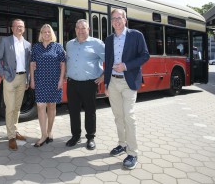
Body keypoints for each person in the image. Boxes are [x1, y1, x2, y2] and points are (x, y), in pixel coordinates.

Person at [104, 9, 150, 169]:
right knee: (118, 116)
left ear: (125, 20)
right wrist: (106, 84)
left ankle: (132, 153)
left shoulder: (136, 35)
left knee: (129, 117)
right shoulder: (109, 39)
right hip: (113, 83)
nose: (116, 21)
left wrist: (126, 66)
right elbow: (108, 61)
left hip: (128, 81)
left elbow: (145, 56)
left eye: (119, 18)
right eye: (113, 19)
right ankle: (122, 144)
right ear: (111, 22)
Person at [65, 19, 105, 150]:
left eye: (83, 28)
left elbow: (110, 60)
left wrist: (103, 76)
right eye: (78, 28)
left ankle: (90, 137)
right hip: (72, 83)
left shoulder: (97, 44)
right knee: (73, 111)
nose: (80, 31)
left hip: (89, 83)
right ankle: (75, 136)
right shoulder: (69, 44)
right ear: (75, 29)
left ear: (89, 30)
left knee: (90, 110)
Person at [0, 19, 32, 151]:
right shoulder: (5, 41)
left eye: (21, 26)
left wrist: (27, 79)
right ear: (12, 28)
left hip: (22, 79)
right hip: (10, 78)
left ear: (24, 28)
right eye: (16, 26)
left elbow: (28, 64)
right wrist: (1, 73)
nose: (19, 28)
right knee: (9, 108)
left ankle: (14, 131)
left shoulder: (28, 44)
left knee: (17, 107)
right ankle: (11, 137)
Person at [30, 24, 66, 147]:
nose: (46, 34)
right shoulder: (36, 47)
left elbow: (63, 64)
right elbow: (32, 64)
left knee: (51, 106)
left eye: (48, 32)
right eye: (44, 32)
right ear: (41, 34)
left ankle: (50, 131)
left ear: (52, 34)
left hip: (54, 80)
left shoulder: (58, 47)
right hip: (40, 80)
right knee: (40, 106)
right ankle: (43, 134)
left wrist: (61, 80)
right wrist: (32, 80)